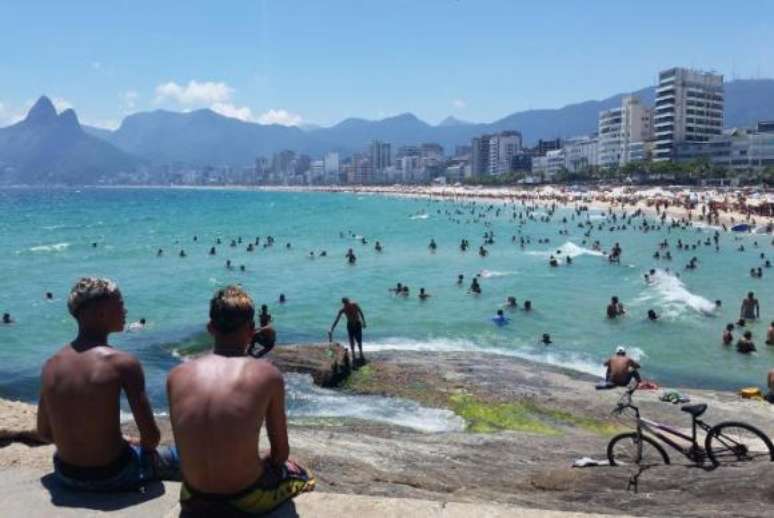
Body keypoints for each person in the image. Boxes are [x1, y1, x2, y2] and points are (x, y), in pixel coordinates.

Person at [167, 286, 314, 516]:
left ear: (210, 328)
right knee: (300, 474)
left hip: (193, 497)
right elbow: (280, 454)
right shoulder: (267, 374)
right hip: (245, 497)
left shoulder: (177, 375)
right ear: (251, 330)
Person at [37, 277, 179, 492]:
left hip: (66, 473)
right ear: (101, 313)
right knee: (183, 454)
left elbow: (45, 433)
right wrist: (131, 442)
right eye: (120, 304)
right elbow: (151, 438)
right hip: (114, 474)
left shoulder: (51, 364)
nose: (126, 310)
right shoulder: (122, 363)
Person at [329, 298, 367, 364]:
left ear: (349, 301)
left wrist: (364, 322)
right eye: (346, 304)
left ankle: (361, 354)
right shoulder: (343, 310)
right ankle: (353, 355)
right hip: (350, 325)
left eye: (348, 303)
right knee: (351, 341)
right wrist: (332, 328)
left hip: (357, 323)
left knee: (359, 340)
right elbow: (337, 320)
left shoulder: (355, 305)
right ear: (344, 304)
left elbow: (361, 312)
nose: (347, 305)